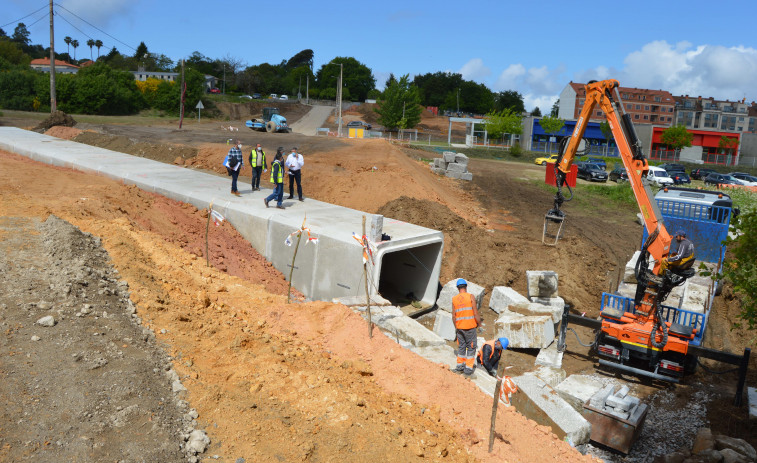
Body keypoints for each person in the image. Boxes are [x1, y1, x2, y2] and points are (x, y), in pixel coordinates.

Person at [450, 278, 481, 377]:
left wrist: (457, 327)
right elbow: (475, 313)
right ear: (466, 287)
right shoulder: (470, 296)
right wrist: (479, 325)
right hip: (470, 328)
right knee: (471, 348)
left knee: (462, 347)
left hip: (460, 329)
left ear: (458, 288)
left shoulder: (454, 299)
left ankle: (459, 367)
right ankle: (468, 371)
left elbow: (454, 317)